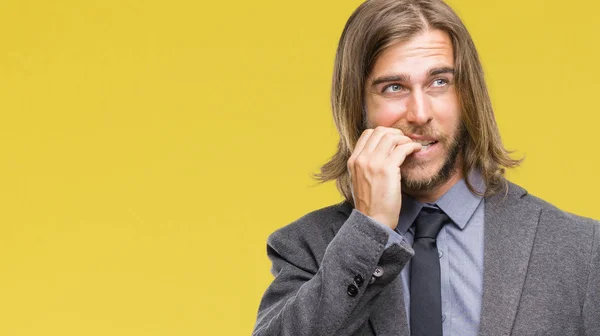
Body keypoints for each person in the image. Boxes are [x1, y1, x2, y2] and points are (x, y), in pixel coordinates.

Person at [252, 0, 600, 335]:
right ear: (358, 107)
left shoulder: (582, 250)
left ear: (468, 95)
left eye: (439, 82)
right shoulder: (305, 246)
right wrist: (370, 230)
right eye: (394, 87)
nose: (419, 114)